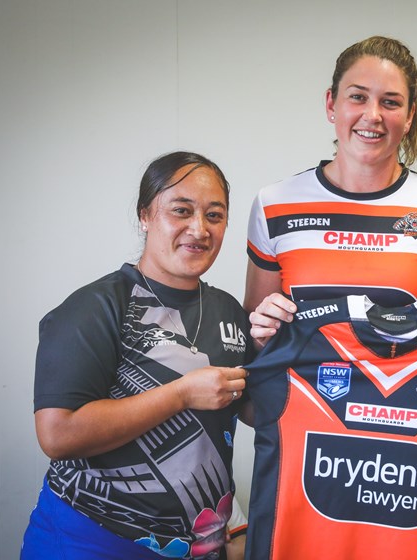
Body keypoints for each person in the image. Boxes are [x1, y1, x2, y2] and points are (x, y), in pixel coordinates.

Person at [21, 152, 252, 560]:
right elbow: (57, 435)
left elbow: (239, 419)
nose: (199, 229)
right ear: (145, 215)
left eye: (215, 216)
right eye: (181, 210)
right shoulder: (97, 306)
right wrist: (181, 394)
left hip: (201, 546)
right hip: (89, 541)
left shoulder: (230, 311)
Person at [245, 36, 417, 347]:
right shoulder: (275, 203)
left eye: (390, 102)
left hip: (403, 394)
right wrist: (262, 330)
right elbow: (255, 340)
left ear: (410, 115)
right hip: (300, 393)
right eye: (358, 97)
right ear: (331, 104)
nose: (373, 115)